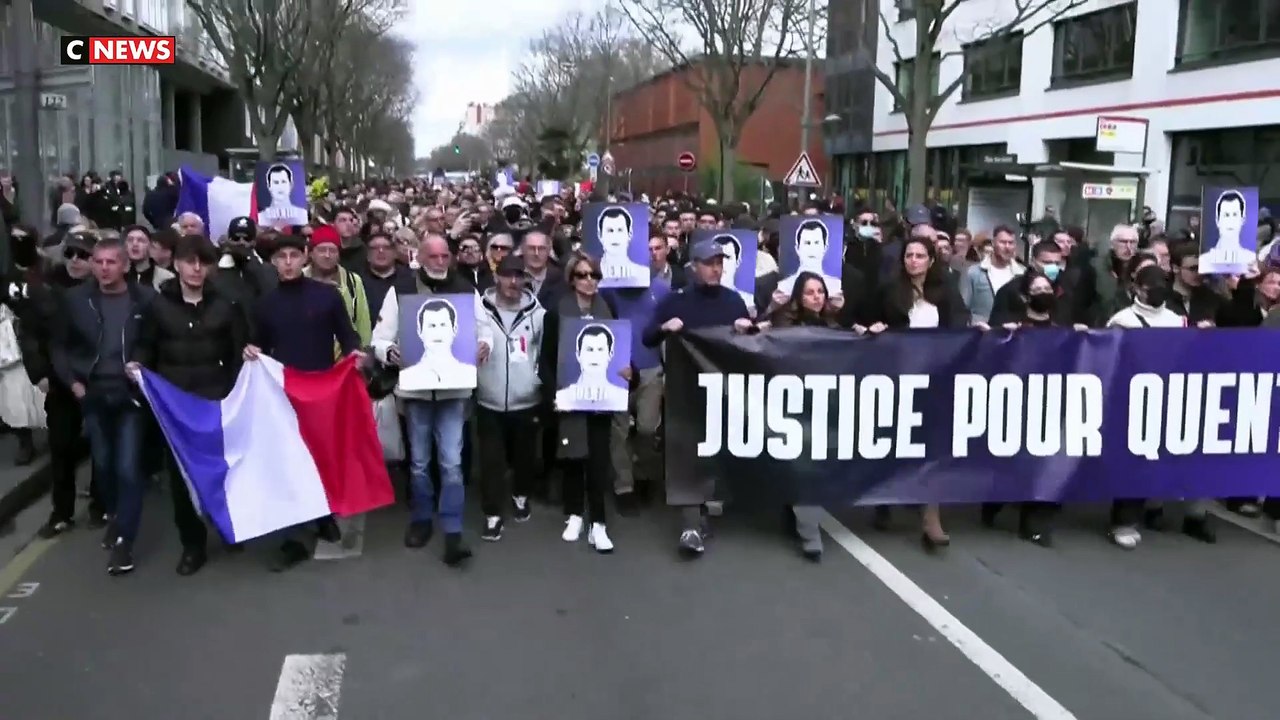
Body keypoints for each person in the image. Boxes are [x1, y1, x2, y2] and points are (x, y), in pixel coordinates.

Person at [128, 234, 248, 576]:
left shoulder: (227, 303)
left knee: (223, 471)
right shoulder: (156, 305)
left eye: (203, 262)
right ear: (176, 263)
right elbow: (145, 347)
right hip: (176, 408)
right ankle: (192, 545)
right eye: (189, 261)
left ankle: (229, 527)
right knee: (182, 480)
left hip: (217, 402)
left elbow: (238, 351)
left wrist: (244, 369)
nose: (196, 269)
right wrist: (136, 365)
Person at [371, 233, 492, 567]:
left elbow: (485, 329)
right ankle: (422, 518)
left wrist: (485, 345)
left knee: (451, 461)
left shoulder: (466, 290)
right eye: (433, 257)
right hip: (416, 391)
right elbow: (379, 338)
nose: (440, 262)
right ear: (420, 258)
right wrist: (389, 352)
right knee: (421, 461)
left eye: (444, 256)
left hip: (454, 392)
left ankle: (452, 526)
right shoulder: (401, 291)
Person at [246, 232, 359, 570]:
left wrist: (355, 353)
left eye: (294, 256)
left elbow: (347, 335)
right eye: (281, 258)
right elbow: (259, 345)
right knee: (288, 461)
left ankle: (323, 514)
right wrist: (250, 351)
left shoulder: (327, 296)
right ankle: (292, 537)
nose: (289, 263)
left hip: (323, 388)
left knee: (321, 455)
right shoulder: (265, 303)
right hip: (283, 393)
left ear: (305, 257)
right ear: (273, 262)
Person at [50, 235, 156, 575]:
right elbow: (59, 346)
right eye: (99, 262)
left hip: (130, 397)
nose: (104, 268)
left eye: (112, 262)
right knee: (105, 466)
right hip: (93, 395)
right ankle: (115, 514)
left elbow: (155, 342)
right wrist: (73, 382)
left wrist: (140, 363)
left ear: (125, 265)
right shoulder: (75, 300)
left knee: (127, 468)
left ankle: (125, 540)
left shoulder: (145, 300)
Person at [643, 239, 753, 557]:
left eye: (720, 262)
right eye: (708, 262)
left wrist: (749, 330)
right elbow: (647, 337)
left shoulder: (734, 302)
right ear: (693, 267)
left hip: (722, 392)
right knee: (688, 454)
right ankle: (690, 526)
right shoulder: (677, 302)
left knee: (714, 454)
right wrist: (665, 327)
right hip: (685, 390)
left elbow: (750, 348)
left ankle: (704, 509)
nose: (715, 268)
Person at [864, 234, 969, 551]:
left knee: (931, 445)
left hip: (934, 378)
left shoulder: (945, 292)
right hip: (897, 377)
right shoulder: (889, 290)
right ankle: (884, 500)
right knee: (895, 443)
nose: (913, 261)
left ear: (931, 260)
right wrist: (872, 328)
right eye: (908, 255)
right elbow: (865, 318)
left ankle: (931, 516)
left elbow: (959, 322)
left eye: (919, 256)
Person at [1105, 265, 1206, 549]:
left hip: (1169, 398)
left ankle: (1156, 509)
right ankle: (1123, 521)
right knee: (1133, 460)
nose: (1158, 292)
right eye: (1151, 287)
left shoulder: (1177, 320)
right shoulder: (1123, 320)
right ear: (1137, 289)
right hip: (1132, 399)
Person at [754, 270, 843, 561]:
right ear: (797, 297)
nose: (816, 297)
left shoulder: (833, 324)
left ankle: (797, 517)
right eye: (809, 292)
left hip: (823, 406)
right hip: (791, 407)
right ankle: (810, 534)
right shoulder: (781, 325)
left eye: (820, 292)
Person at [540, 253, 625, 553]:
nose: (589, 281)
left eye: (594, 275)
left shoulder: (608, 308)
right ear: (571, 279)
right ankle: (575, 513)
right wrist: (556, 395)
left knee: (599, 459)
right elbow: (546, 360)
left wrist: (628, 372)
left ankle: (598, 522)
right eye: (582, 275)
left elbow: (619, 352)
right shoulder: (557, 312)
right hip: (570, 397)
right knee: (573, 456)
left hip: (603, 396)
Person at [474, 254, 544, 541]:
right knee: (491, 460)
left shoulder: (538, 313)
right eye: (507, 275)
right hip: (488, 399)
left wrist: (536, 379)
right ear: (496, 277)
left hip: (526, 399)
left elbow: (544, 352)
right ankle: (492, 514)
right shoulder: (479, 311)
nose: (513, 282)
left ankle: (520, 494)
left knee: (523, 456)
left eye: (518, 276)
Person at [398, 297, 477, 389]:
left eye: (443, 325)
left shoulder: (469, 374)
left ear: (454, 330)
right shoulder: (407, 378)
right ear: (420, 332)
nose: (437, 332)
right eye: (432, 326)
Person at [554, 323, 630, 410]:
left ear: (610, 354)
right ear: (578, 355)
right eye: (589, 349)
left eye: (600, 349)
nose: (595, 356)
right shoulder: (562, 398)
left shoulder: (622, 398)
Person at [777, 218, 842, 295]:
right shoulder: (782, 287)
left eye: (816, 243)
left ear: (825, 248)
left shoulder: (836, 287)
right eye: (807, 243)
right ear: (797, 249)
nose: (812, 248)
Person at [1200, 189, 1255, 272]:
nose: (1230, 221)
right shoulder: (1204, 261)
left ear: (1242, 219)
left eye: (1235, 215)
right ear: (1217, 220)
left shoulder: (1251, 260)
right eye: (1226, 215)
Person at [596, 206, 648, 285]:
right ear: (600, 235)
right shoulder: (590, 274)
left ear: (629, 234)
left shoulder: (644, 275)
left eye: (620, 230)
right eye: (610, 231)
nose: (615, 236)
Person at [712, 232, 756, 309]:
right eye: (717, 257)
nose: (721, 263)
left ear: (738, 262)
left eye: (727, 257)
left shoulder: (748, 301)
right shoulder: (694, 298)